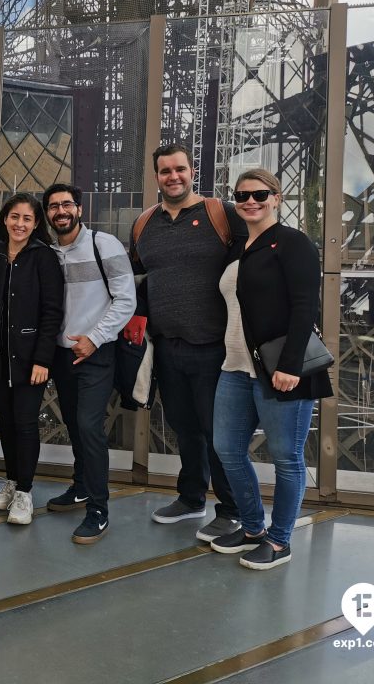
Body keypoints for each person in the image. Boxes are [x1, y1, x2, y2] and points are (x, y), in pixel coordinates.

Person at [210, 169, 333, 570]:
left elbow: (305, 308)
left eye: (259, 194)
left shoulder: (292, 243)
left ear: (276, 198)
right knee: (227, 449)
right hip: (235, 366)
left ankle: (279, 542)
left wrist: (291, 365)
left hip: (281, 370)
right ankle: (251, 529)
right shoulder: (240, 247)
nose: (250, 201)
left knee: (286, 457)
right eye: (242, 195)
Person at [130, 143, 245, 542]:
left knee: (219, 433)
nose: (173, 176)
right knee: (185, 428)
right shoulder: (145, 224)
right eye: (165, 171)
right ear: (156, 176)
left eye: (180, 169)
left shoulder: (220, 214)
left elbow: (253, 260)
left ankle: (231, 510)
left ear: (192, 171)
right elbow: (140, 278)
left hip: (214, 347)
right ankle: (191, 496)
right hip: (167, 347)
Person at [43, 183, 136, 544]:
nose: (60, 211)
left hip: (96, 353)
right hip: (61, 355)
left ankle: (99, 509)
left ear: (79, 209)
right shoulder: (49, 254)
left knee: (88, 426)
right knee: (73, 423)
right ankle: (81, 487)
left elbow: (125, 299)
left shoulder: (104, 244)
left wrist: (94, 338)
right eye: (53, 206)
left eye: (67, 204)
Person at [0, 193, 64, 525]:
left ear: (36, 223)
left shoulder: (43, 257)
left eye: (27, 219)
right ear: (4, 218)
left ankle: (25, 492)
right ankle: (12, 481)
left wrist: (44, 359)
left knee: (26, 424)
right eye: (14, 217)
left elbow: (52, 311)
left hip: (30, 359)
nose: (19, 224)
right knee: (7, 423)